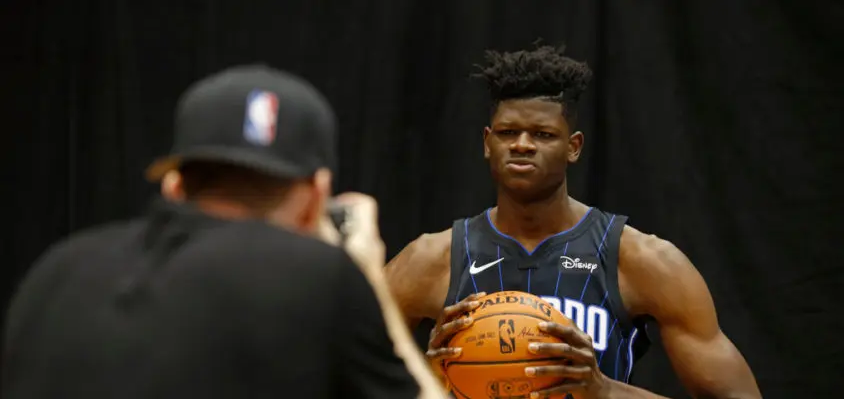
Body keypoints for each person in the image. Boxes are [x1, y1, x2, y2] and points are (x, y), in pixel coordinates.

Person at [2, 65, 444, 399]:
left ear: (174, 187)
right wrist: (369, 279)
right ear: (316, 197)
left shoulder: (57, 271)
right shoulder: (320, 278)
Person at [384, 45, 762, 398]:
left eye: (543, 134)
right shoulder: (429, 260)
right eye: (508, 132)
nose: (522, 144)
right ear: (487, 142)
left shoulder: (641, 259)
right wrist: (424, 379)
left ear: (574, 146)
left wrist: (606, 390)